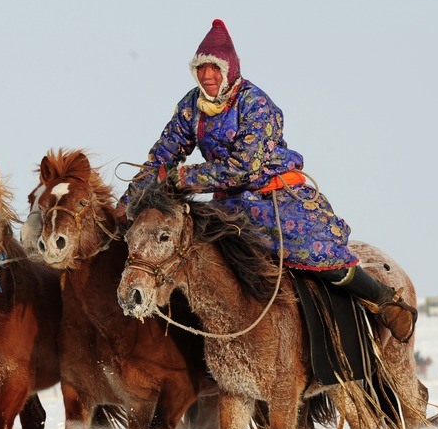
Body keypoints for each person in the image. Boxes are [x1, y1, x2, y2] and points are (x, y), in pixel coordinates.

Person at [121, 19, 417, 342]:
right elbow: (162, 157)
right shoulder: (191, 107)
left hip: (274, 197)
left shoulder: (256, 104)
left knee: (318, 252)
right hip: (229, 205)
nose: (207, 76)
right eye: (201, 69)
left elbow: (244, 167)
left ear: (229, 69)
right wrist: (128, 204)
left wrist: (185, 177)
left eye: (214, 69)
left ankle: (384, 303)